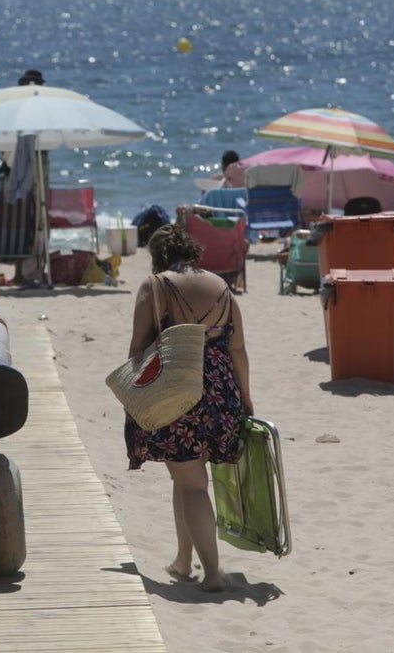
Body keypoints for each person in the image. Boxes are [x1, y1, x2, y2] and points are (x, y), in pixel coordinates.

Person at [124, 223, 252, 591]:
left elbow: (138, 348)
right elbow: (238, 349)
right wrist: (245, 397)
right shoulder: (221, 286)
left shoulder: (155, 285)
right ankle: (183, 560)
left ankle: (212, 573)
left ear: (157, 255)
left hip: (178, 391)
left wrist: (134, 397)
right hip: (222, 392)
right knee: (185, 479)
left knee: (192, 483)